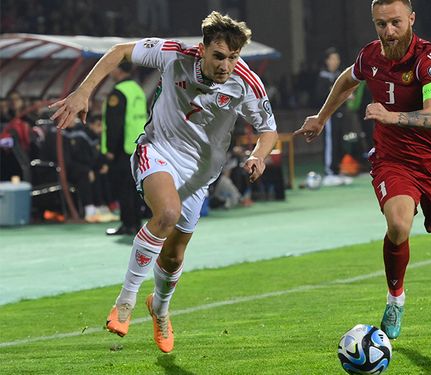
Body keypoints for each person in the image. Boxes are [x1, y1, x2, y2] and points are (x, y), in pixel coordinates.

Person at [50, 11, 278, 353]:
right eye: (219, 56)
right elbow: (120, 51)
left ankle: (159, 308)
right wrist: (84, 92)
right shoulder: (174, 53)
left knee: (173, 257)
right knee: (166, 213)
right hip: (158, 151)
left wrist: (259, 155)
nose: (226, 65)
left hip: (201, 175)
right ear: (202, 50)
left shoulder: (245, 82)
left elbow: (268, 130)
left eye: (233, 57)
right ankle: (125, 301)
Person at [295, 0, 431, 340]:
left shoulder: (430, 57)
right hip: (392, 159)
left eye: (395, 23)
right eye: (381, 24)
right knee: (398, 224)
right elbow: (345, 80)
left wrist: (390, 116)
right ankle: (396, 298)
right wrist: (321, 118)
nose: (388, 31)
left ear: (411, 19)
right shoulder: (370, 56)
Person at [102, 62, 147, 235]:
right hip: (138, 144)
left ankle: (127, 224)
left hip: (123, 147)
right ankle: (136, 223)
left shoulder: (118, 92)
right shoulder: (137, 89)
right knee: (135, 188)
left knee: (124, 189)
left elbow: (115, 124)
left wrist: (111, 149)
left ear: (119, 70)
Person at [314, 47, 351, 186]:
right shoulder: (322, 77)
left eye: (337, 59)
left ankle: (337, 171)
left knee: (339, 141)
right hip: (328, 116)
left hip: (340, 114)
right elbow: (319, 96)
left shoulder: (339, 76)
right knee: (330, 142)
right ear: (327, 61)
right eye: (333, 59)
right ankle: (329, 172)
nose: (335, 61)